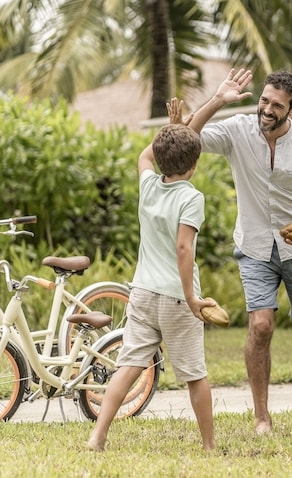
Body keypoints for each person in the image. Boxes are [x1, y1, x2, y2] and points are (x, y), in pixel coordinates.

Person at [176, 67, 292, 434]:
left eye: (277, 106)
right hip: (254, 246)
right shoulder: (237, 130)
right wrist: (218, 100)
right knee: (260, 324)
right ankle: (261, 415)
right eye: (264, 101)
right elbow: (187, 138)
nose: (267, 110)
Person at [87, 123, 217, 452]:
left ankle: (98, 436)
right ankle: (209, 445)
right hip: (176, 298)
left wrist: (172, 126)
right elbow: (184, 248)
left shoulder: (149, 185)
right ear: (195, 164)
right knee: (194, 373)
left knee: (129, 365)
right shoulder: (192, 197)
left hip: (142, 292)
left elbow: (145, 155)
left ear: (159, 160)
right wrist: (192, 298)